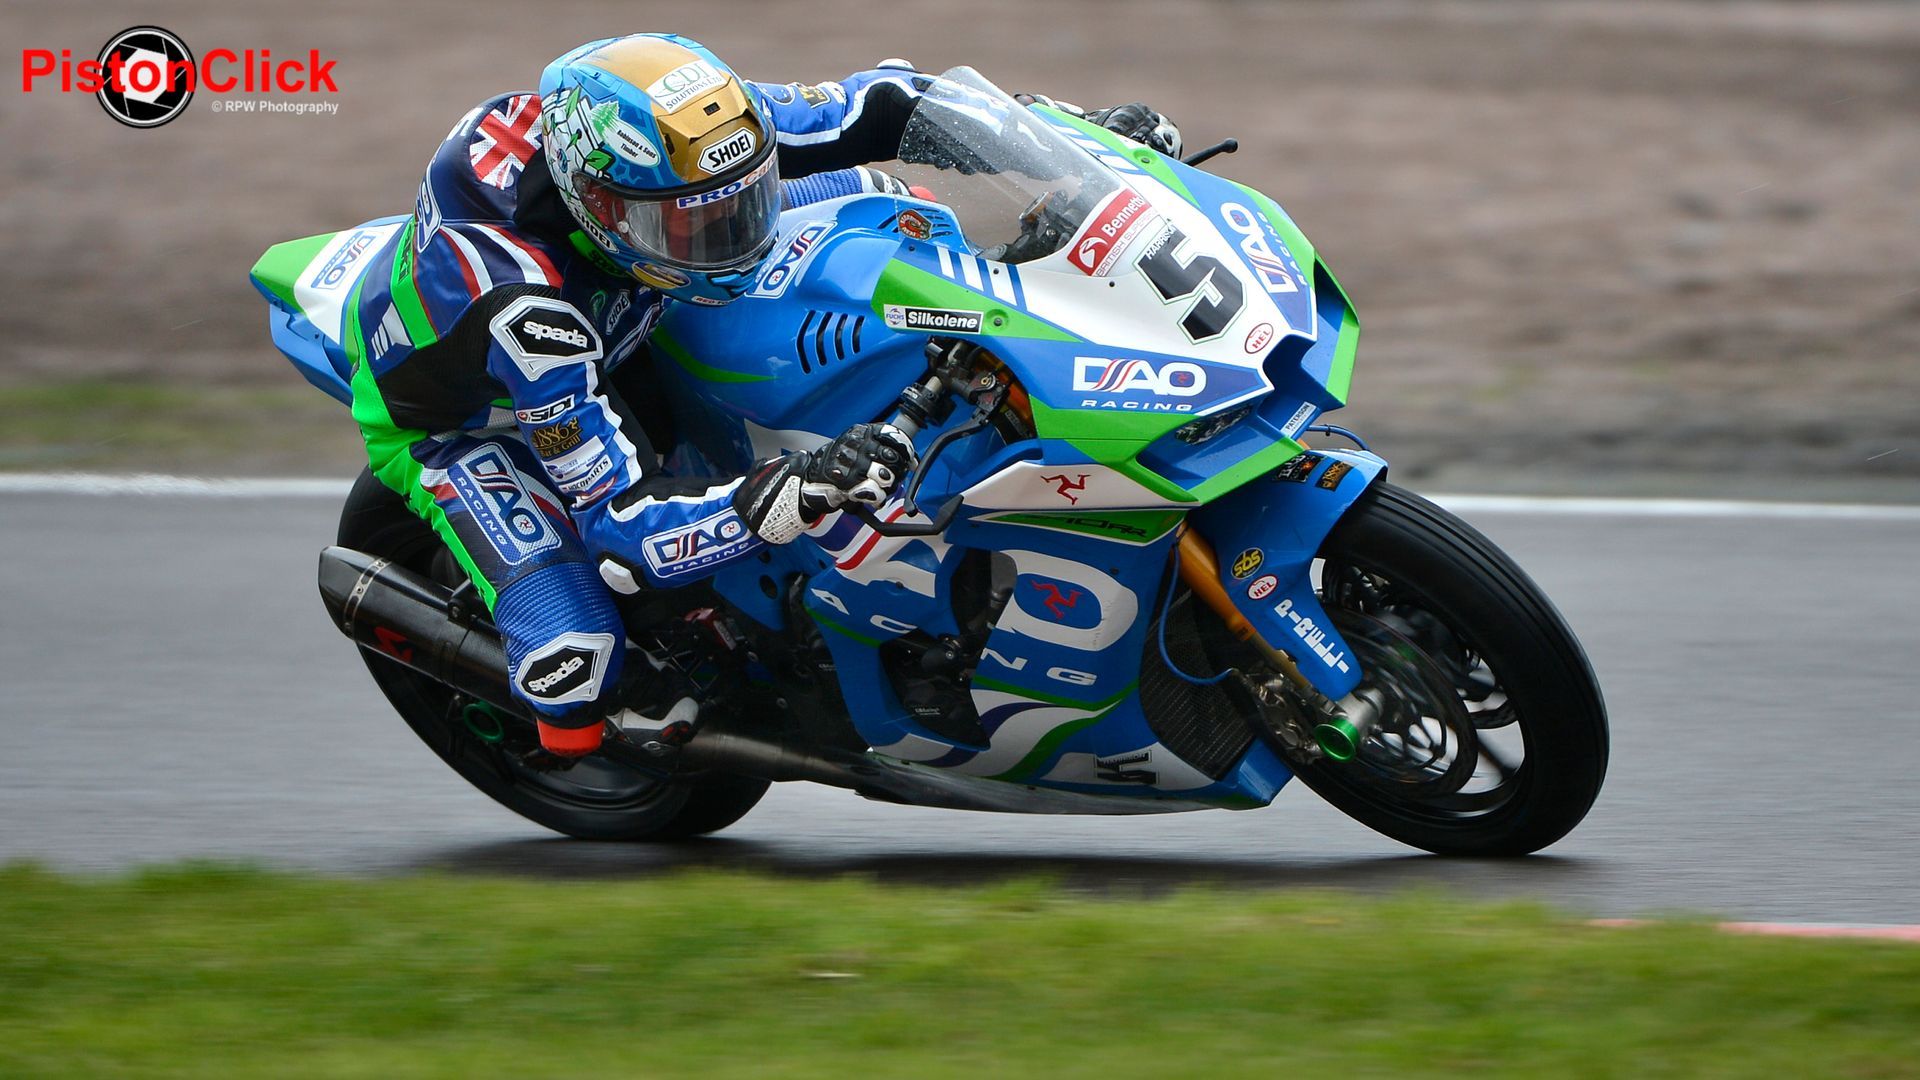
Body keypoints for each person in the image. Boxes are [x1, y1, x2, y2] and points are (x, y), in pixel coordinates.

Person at [345, 33, 1181, 759]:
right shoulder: (525, 317)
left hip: (634, 286)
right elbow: (621, 527)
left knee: (902, 215)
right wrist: (788, 495)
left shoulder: (688, 137)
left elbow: (890, 101)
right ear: (600, 206)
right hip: (468, 413)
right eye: (699, 226)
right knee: (577, 664)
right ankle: (593, 693)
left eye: (743, 205)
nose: (735, 235)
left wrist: (1067, 141)